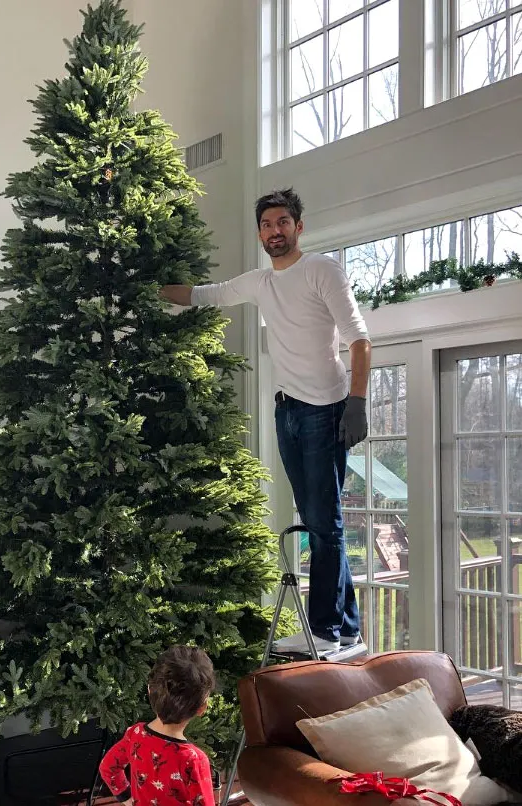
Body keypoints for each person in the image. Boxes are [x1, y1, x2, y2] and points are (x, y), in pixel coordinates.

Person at [159, 188, 371, 655]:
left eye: (282, 222)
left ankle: (324, 630)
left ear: (299, 226)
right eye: (267, 225)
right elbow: (203, 295)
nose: (275, 231)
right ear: (260, 233)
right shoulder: (260, 282)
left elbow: (359, 339)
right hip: (287, 410)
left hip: (325, 409)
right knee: (317, 521)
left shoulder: (321, 270)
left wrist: (357, 401)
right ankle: (348, 627)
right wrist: (149, 291)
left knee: (324, 523)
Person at [99, 645, 216, 806]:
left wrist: (127, 799)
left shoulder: (135, 734)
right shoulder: (194, 759)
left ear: (149, 690)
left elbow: (108, 768)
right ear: (202, 708)